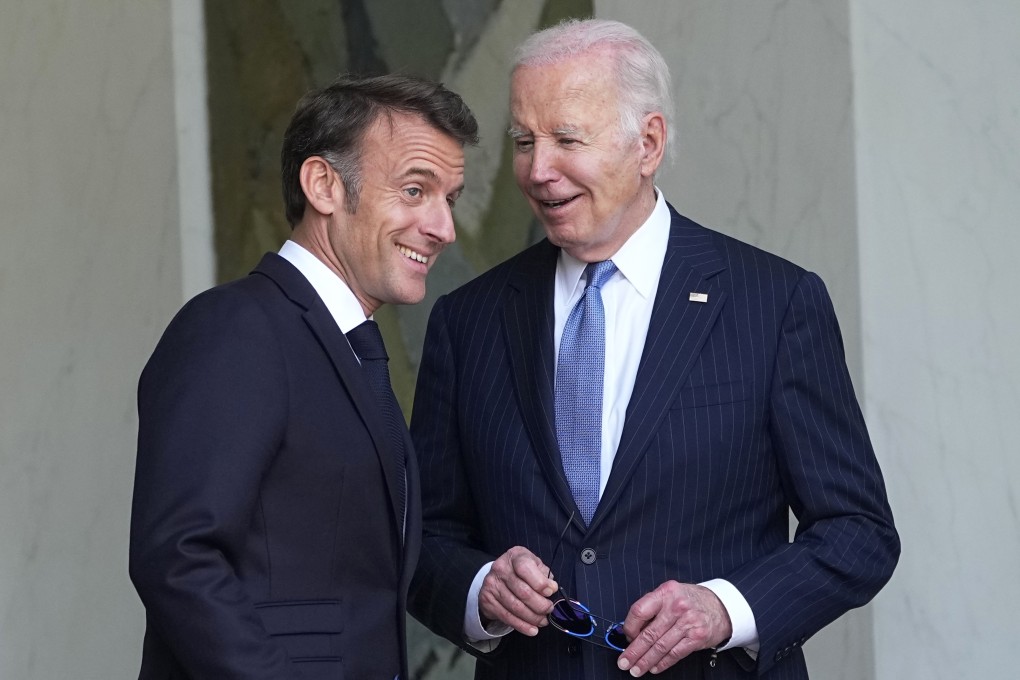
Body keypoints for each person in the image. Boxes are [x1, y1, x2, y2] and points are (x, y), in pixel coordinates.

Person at [408, 19, 899, 680]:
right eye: (523, 141)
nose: (538, 170)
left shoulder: (773, 304)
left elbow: (858, 530)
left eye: (567, 140)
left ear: (648, 143)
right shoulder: (467, 320)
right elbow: (425, 536)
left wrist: (725, 609)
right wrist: (479, 590)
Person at [129, 73, 477, 679]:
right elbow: (178, 557)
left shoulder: (347, 348)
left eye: (450, 199)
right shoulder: (235, 328)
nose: (443, 227)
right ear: (323, 185)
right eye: (415, 190)